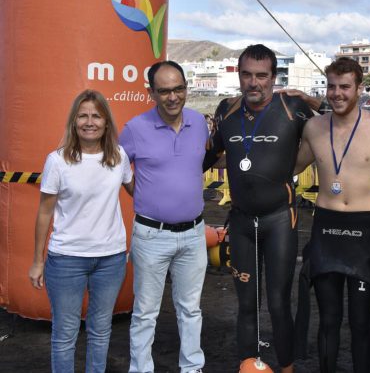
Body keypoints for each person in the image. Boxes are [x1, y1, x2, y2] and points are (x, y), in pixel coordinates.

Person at [203, 44, 319, 373]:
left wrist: (315, 101)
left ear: (273, 77)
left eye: (262, 76)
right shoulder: (226, 108)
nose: (254, 83)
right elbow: (206, 158)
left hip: (280, 220)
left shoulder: (292, 107)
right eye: (247, 75)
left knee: (280, 304)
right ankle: (249, 366)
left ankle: (286, 368)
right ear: (239, 75)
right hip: (240, 224)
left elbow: (336, 125)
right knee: (246, 305)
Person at [294, 57, 370, 373]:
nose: (337, 93)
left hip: (364, 231)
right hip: (326, 229)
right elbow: (290, 165)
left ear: (360, 88)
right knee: (327, 320)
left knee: (360, 322)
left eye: (344, 86)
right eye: (331, 86)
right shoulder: (313, 127)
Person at [28, 90, 134, 372]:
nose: (90, 122)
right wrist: (38, 261)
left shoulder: (119, 157)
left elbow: (141, 192)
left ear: (106, 122)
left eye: (96, 115)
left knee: (101, 332)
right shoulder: (58, 161)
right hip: (66, 260)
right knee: (64, 335)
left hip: (111, 260)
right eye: (83, 115)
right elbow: (44, 213)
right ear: (74, 121)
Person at [120, 61, 209, 373]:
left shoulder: (199, 123)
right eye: (165, 91)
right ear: (151, 93)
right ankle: (141, 369)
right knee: (145, 311)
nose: (173, 97)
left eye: (179, 89)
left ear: (186, 87)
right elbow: (117, 168)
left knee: (191, 309)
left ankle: (192, 368)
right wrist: (141, 193)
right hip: (151, 235)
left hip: (194, 234)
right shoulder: (134, 129)